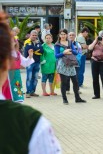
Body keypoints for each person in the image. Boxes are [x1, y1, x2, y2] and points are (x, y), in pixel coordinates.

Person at [0, 21, 61, 153]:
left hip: (14, 76)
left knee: (17, 97)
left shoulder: (16, 54)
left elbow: (25, 62)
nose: (13, 44)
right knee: (8, 98)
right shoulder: (6, 54)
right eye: (11, 42)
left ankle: (13, 117)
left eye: (14, 42)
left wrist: (31, 56)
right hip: (6, 79)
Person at [54, 29, 86, 104]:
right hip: (62, 64)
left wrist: (70, 50)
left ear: (66, 35)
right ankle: (64, 99)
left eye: (64, 34)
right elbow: (56, 55)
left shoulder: (70, 42)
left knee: (75, 82)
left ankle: (77, 98)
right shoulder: (57, 44)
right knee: (64, 82)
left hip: (71, 64)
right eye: (61, 34)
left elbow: (76, 52)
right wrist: (64, 52)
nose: (63, 36)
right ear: (59, 35)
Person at [2, 36, 34, 102]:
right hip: (6, 76)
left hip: (16, 76)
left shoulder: (18, 54)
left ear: (15, 43)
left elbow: (25, 63)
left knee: (17, 94)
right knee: (6, 93)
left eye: (13, 41)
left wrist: (30, 56)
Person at [88, 30, 103, 100]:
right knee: (95, 78)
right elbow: (90, 48)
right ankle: (96, 94)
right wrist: (95, 41)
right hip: (94, 61)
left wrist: (102, 42)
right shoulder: (95, 42)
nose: (102, 37)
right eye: (101, 36)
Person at [24, 30, 44, 98]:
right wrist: (36, 49)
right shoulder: (27, 42)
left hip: (37, 62)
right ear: (30, 35)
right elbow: (29, 49)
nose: (34, 36)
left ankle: (33, 91)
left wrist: (35, 50)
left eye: (35, 35)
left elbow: (42, 50)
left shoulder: (39, 42)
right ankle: (28, 92)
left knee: (35, 78)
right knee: (29, 78)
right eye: (33, 35)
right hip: (29, 62)